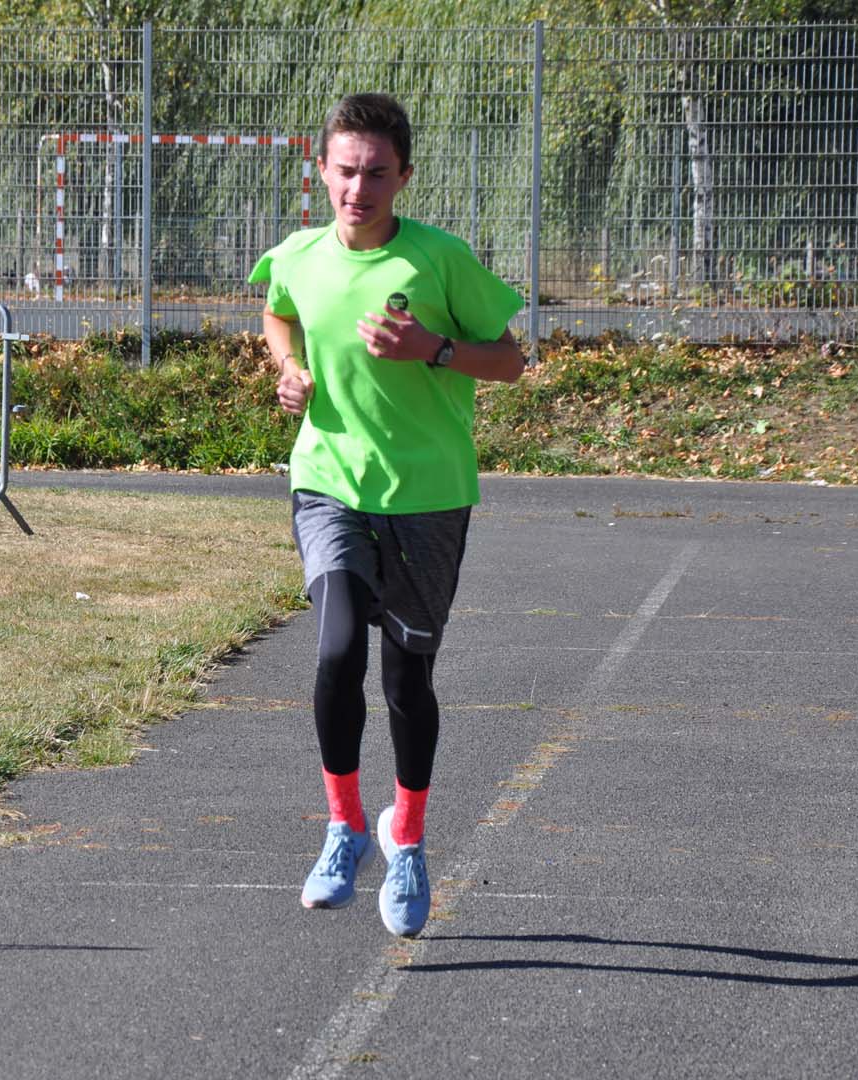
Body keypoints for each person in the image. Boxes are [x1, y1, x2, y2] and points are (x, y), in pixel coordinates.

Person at [247, 93, 525, 938]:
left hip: (428, 496)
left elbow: (511, 363)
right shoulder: (296, 254)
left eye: (375, 173)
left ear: (403, 175)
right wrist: (288, 368)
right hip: (329, 480)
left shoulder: (440, 261)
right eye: (344, 170)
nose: (356, 188)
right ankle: (345, 827)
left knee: (406, 680)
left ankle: (406, 839)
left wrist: (432, 350)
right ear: (320, 168)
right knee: (335, 650)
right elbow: (277, 309)